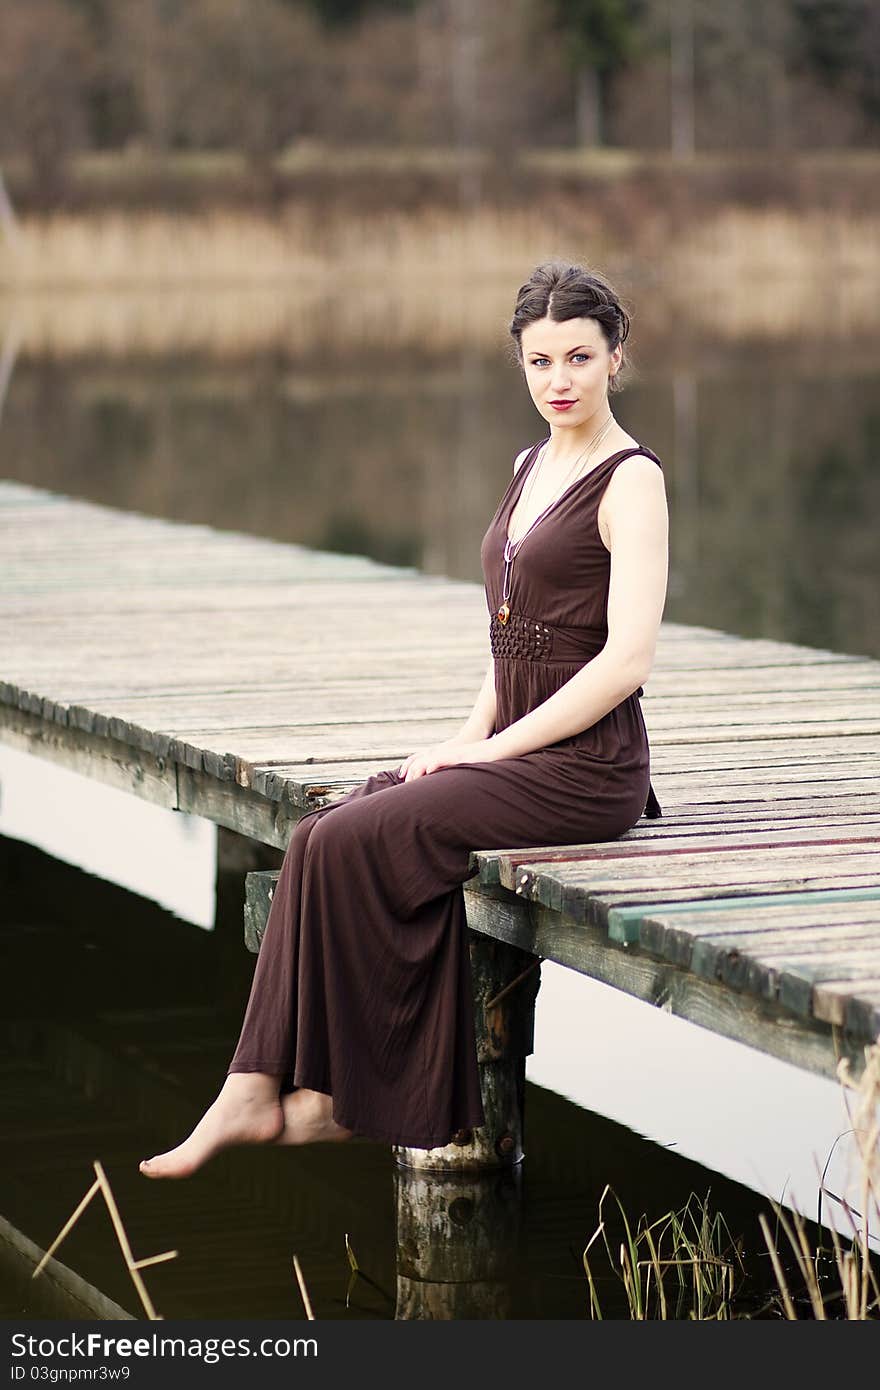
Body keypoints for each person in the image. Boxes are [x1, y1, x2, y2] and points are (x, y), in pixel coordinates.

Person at [139, 259, 669, 1179]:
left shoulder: (633, 482)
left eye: (580, 358)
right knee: (320, 833)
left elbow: (625, 663)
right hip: (513, 751)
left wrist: (490, 753)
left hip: (588, 771)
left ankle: (356, 1105)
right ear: (521, 364)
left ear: (616, 357)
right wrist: (464, 744)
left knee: (370, 836)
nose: (559, 382)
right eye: (540, 362)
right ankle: (260, 1089)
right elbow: (513, 647)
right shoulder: (529, 464)